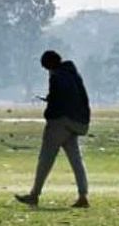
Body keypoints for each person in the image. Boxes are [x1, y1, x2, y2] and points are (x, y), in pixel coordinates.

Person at [15, 50, 91, 208]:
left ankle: (34, 195)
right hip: (75, 122)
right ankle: (83, 195)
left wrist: (48, 112)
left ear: (50, 65)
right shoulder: (72, 74)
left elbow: (57, 102)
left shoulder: (56, 76)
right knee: (76, 160)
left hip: (59, 122)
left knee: (45, 159)